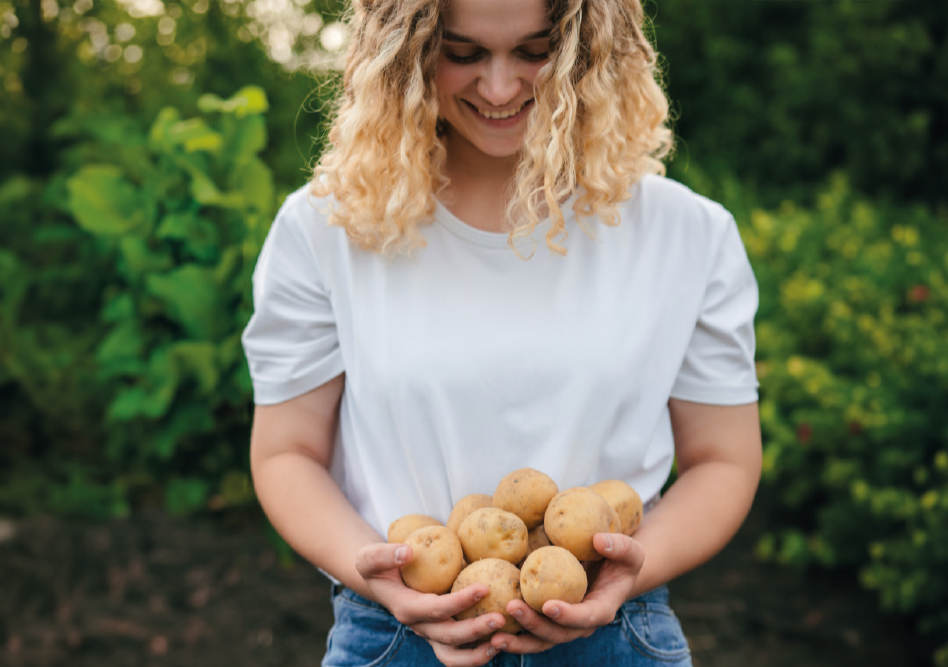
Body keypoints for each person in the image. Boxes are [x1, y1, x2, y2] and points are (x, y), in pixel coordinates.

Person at [241, 0, 762, 663]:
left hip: (616, 634)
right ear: (406, 53)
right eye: (462, 54)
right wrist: (373, 569)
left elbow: (725, 458)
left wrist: (636, 564)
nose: (498, 87)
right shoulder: (327, 229)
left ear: (589, 48)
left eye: (534, 51)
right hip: (393, 635)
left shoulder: (686, 235)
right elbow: (286, 451)